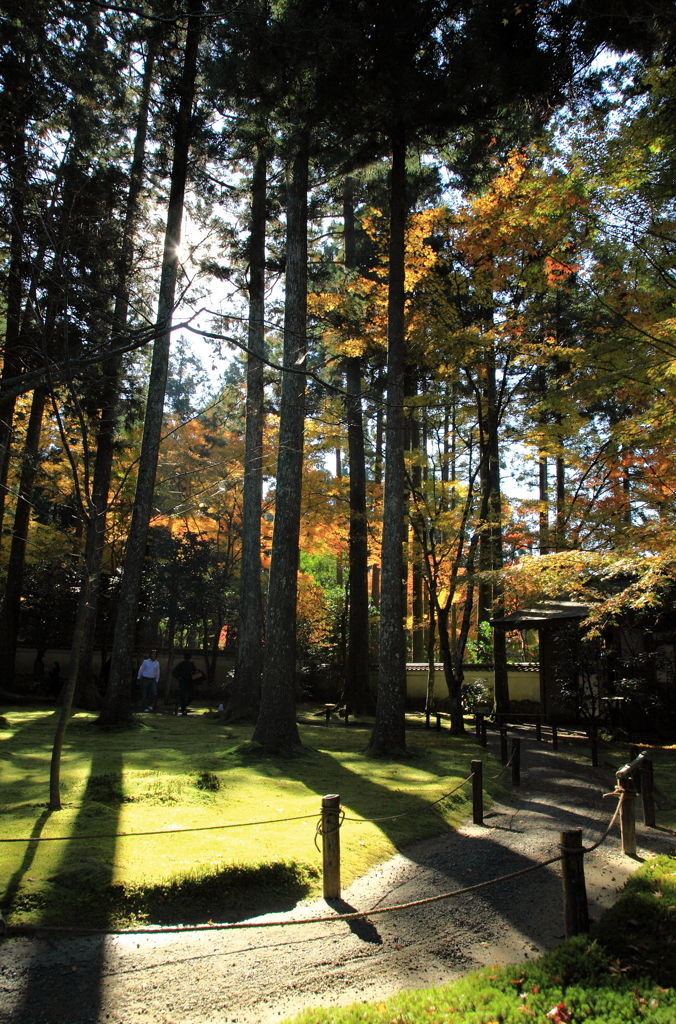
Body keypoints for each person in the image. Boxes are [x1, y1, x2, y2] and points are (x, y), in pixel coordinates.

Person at [172, 650, 197, 715]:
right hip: (182, 681)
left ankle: (184, 706)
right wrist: (178, 678)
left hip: (189, 682)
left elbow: (195, 672)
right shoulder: (181, 665)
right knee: (182, 695)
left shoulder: (191, 664)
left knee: (192, 695)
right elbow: (174, 672)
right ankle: (183, 709)